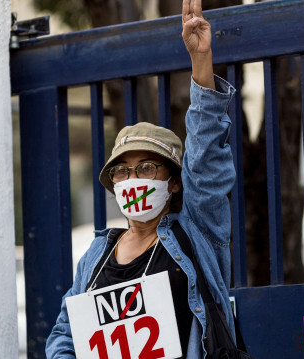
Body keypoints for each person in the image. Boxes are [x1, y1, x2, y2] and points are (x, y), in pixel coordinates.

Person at [45, 0, 237, 357]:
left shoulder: (196, 233)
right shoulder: (95, 256)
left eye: (147, 167)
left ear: (174, 181)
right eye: (122, 170)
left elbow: (206, 160)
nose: (133, 179)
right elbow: (64, 333)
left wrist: (200, 64)